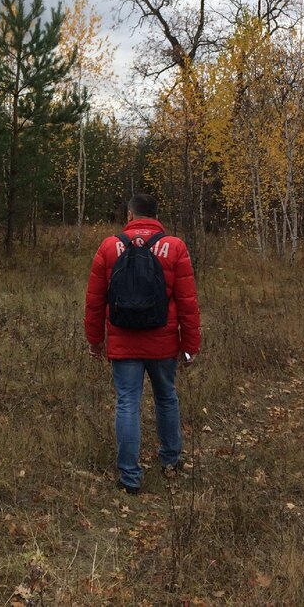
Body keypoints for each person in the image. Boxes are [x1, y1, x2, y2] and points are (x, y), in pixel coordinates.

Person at [84, 193, 200, 494]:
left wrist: (95, 341)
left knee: (127, 404)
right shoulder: (174, 247)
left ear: (130, 214)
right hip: (163, 343)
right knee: (166, 398)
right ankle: (171, 461)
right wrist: (189, 347)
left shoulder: (110, 246)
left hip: (123, 343)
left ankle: (130, 478)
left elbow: (95, 302)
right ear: (156, 215)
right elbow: (188, 304)